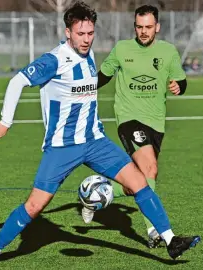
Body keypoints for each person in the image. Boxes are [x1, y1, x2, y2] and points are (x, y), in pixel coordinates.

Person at [0, 2, 200, 268]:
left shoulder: (89, 55)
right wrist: (5, 122)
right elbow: (17, 81)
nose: (86, 39)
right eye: (80, 34)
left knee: (139, 181)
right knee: (35, 206)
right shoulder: (54, 60)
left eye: (90, 33)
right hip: (63, 147)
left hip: (95, 141)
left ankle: (170, 240)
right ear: (67, 32)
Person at [80, 5, 189, 249]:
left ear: (157, 27)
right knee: (149, 167)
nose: (143, 31)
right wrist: (80, 89)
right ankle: (154, 231)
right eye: (139, 27)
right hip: (129, 119)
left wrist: (178, 87)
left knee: (143, 179)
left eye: (148, 27)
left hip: (156, 122)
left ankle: (97, 195)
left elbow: (181, 81)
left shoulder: (169, 52)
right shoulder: (122, 49)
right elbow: (103, 76)